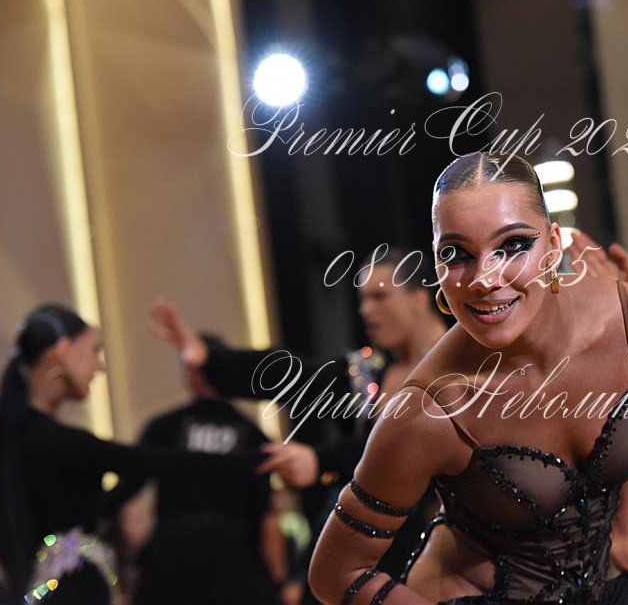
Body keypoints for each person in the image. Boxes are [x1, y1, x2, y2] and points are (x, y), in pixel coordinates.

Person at [309, 153, 628, 604]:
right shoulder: (428, 410)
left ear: (553, 245)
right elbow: (335, 571)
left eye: (514, 245)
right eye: (457, 254)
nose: (484, 279)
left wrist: (625, 530)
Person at [147, 249, 450, 598]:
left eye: (379, 297)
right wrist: (212, 359)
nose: (366, 310)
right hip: (361, 551)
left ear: (419, 299)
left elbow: (407, 449)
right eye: (362, 299)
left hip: (436, 557)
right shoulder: (367, 372)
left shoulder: (465, 370)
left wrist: (321, 461)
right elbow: (294, 374)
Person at [0, 304, 304, 604]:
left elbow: (135, 477)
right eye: (94, 351)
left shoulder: (14, 436)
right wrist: (264, 459)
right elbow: (160, 463)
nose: (99, 367)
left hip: (128, 580)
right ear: (64, 350)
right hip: (96, 587)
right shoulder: (57, 442)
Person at [104, 335, 282, 605]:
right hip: (235, 568)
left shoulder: (164, 428)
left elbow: (127, 489)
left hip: (171, 565)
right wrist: (280, 583)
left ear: (191, 373)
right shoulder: (253, 436)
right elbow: (266, 517)